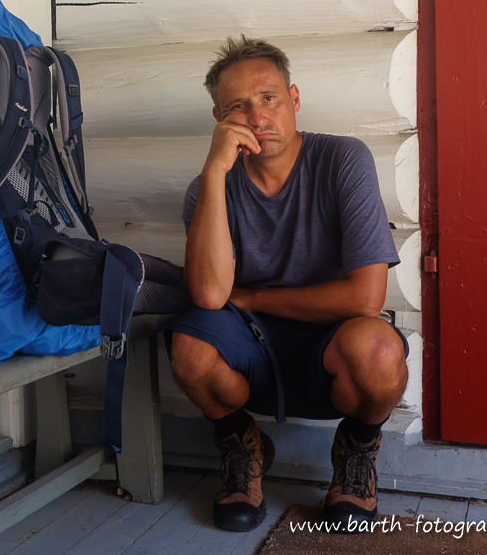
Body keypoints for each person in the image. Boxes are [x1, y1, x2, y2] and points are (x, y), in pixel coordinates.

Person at [167, 35, 409, 533]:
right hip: (253, 345)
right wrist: (214, 172)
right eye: (238, 106)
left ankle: (357, 449)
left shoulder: (343, 159)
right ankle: (241, 443)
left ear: (294, 99)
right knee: (189, 348)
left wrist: (255, 297)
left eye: (268, 98)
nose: (257, 117)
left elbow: (366, 298)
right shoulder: (208, 190)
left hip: (333, 340)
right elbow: (210, 295)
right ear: (219, 119)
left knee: (381, 353)